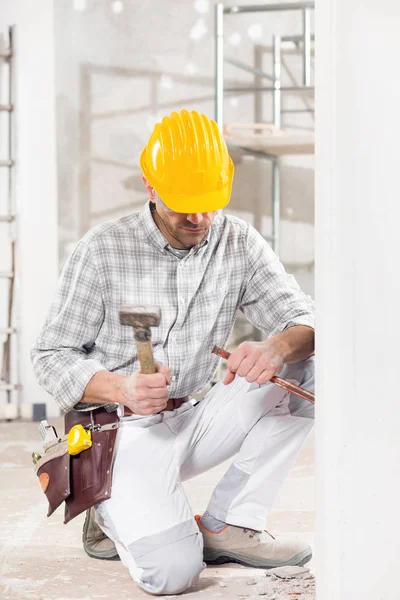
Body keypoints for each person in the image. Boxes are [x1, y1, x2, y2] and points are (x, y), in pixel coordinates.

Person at [32, 109, 315, 596]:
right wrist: (121, 387)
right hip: (121, 431)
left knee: (312, 368)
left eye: (210, 203)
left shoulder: (237, 241)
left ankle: (229, 524)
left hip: (196, 417)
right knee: (173, 575)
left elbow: (304, 319)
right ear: (150, 185)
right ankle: (106, 503)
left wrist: (275, 345)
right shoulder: (102, 250)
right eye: (185, 204)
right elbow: (50, 354)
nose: (200, 219)